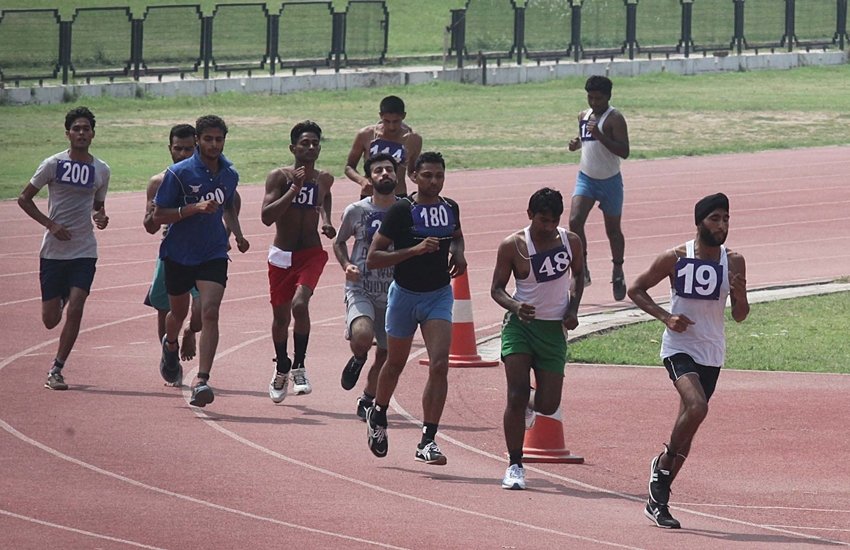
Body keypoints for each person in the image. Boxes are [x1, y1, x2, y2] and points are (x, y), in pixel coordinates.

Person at [627, 193, 749, 529]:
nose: (722, 225)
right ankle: (662, 467)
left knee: (688, 432)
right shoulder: (676, 257)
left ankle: (658, 498)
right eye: (714, 218)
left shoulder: (734, 261)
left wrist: (740, 295)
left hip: (712, 352)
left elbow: (740, 316)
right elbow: (635, 289)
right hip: (679, 347)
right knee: (697, 407)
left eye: (726, 219)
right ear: (699, 222)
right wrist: (666, 317)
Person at [364, 151, 466, 466]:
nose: (434, 181)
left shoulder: (450, 208)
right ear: (413, 177)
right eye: (427, 176)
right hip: (405, 295)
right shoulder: (401, 211)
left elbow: (458, 238)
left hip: (438, 295)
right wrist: (414, 250)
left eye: (439, 176)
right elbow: (373, 258)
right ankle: (378, 413)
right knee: (394, 364)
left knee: (439, 365)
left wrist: (459, 255)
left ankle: (427, 440)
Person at [152, 114, 250, 407]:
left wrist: (238, 233)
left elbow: (229, 206)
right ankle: (170, 344)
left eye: (219, 139)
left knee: (210, 311)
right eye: (208, 139)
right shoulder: (178, 174)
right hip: (179, 253)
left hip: (214, 252)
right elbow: (158, 215)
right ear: (197, 140)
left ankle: (202, 380)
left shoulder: (229, 174)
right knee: (178, 314)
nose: (214, 144)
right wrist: (193, 208)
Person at [490, 188, 584, 490]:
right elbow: (497, 289)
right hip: (520, 326)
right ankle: (515, 464)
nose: (548, 227)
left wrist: (572, 308)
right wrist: (516, 306)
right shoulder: (513, 245)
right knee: (515, 394)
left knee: (547, 403)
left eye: (554, 221)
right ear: (530, 215)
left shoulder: (571, 242)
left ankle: (531, 402)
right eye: (543, 220)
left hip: (553, 330)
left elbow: (578, 276)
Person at [17, 106, 110, 390]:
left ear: (93, 133)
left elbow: (98, 205)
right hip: (54, 252)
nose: (81, 133)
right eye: (76, 128)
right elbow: (24, 199)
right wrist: (50, 225)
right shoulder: (53, 165)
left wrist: (101, 217)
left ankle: (57, 369)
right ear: (68, 133)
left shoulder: (101, 170)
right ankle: (60, 298)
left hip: (84, 250)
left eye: (86, 128)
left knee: (77, 307)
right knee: (50, 320)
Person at [261, 120, 335, 403]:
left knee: (300, 304)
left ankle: (299, 366)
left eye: (315, 143)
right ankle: (281, 365)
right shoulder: (279, 177)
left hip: (311, 253)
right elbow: (267, 217)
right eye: (305, 143)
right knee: (281, 318)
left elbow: (325, 199)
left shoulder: (324, 178)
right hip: (282, 255)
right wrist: (293, 189)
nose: (311, 147)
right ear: (293, 147)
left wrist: (327, 221)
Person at [333, 153, 399, 421]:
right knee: (362, 335)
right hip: (361, 287)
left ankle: (368, 397)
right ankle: (358, 358)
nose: (384, 174)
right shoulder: (356, 211)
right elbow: (339, 243)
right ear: (370, 178)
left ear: (397, 175)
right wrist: (346, 264)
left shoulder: (406, 209)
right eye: (378, 170)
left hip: (396, 292)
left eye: (389, 170)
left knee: (386, 355)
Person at [143, 124, 202, 371]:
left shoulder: (206, 177)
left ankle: (190, 331)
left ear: (196, 148)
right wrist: (153, 215)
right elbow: (149, 226)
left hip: (203, 252)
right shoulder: (159, 182)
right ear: (170, 148)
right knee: (164, 308)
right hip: (172, 253)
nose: (183, 154)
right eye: (178, 148)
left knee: (201, 311)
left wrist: (229, 234)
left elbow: (230, 203)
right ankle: (170, 353)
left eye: (189, 149)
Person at [567, 75, 630, 301]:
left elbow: (624, 151)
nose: (594, 102)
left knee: (613, 231)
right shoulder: (583, 116)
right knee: (574, 221)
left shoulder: (615, 119)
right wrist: (577, 144)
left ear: (608, 97)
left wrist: (600, 136)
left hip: (610, 181)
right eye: (590, 97)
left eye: (598, 98)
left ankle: (618, 270)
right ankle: (582, 266)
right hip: (587, 178)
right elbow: (586, 141)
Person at [345, 95, 423, 198]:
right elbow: (349, 167)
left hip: (398, 196)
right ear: (380, 115)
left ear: (403, 116)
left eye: (396, 121)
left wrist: (421, 177)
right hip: (371, 195)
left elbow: (411, 171)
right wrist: (362, 181)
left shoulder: (414, 139)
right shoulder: (366, 135)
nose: (391, 127)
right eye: (387, 121)